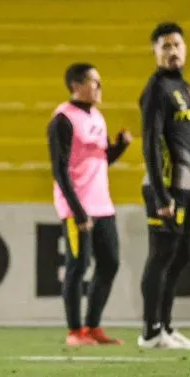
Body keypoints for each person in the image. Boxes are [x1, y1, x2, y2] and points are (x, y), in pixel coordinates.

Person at [47, 63, 131, 346]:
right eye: (94, 82)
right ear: (76, 85)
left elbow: (101, 159)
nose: (99, 87)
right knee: (78, 266)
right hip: (77, 208)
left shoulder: (97, 115)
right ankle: (74, 332)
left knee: (110, 263)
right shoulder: (62, 119)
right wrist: (78, 211)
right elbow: (60, 170)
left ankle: (93, 327)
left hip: (103, 205)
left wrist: (119, 147)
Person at [137, 22, 190, 351]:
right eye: (165, 46)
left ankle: (165, 326)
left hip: (186, 187)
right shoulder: (156, 90)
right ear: (155, 52)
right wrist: (162, 196)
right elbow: (151, 145)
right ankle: (150, 331)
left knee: (181, 257)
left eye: (177, 44)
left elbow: (188, 143)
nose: (173, 50)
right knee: (161, 256)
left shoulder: (185, 87)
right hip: (164, 186)